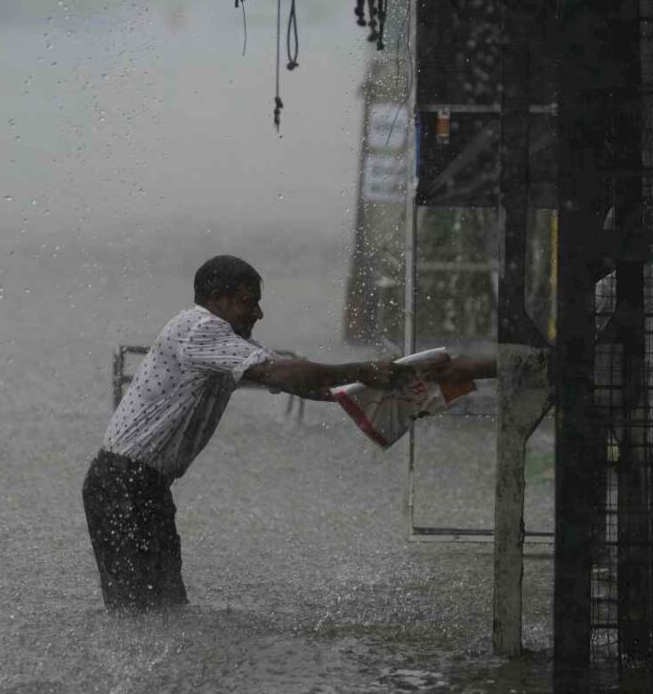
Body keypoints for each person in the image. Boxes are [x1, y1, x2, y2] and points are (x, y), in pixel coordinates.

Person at [82, 254, 495, 612]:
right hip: (123, 483)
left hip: (145, 486)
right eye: (249, 302)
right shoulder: (199, 328)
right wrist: (361, 370)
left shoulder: (227, 343)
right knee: (136, 611)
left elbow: (305, 384)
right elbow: (283, 372)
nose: (258, 314)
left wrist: (400, 388)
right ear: (218, 300)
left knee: (164, 606)